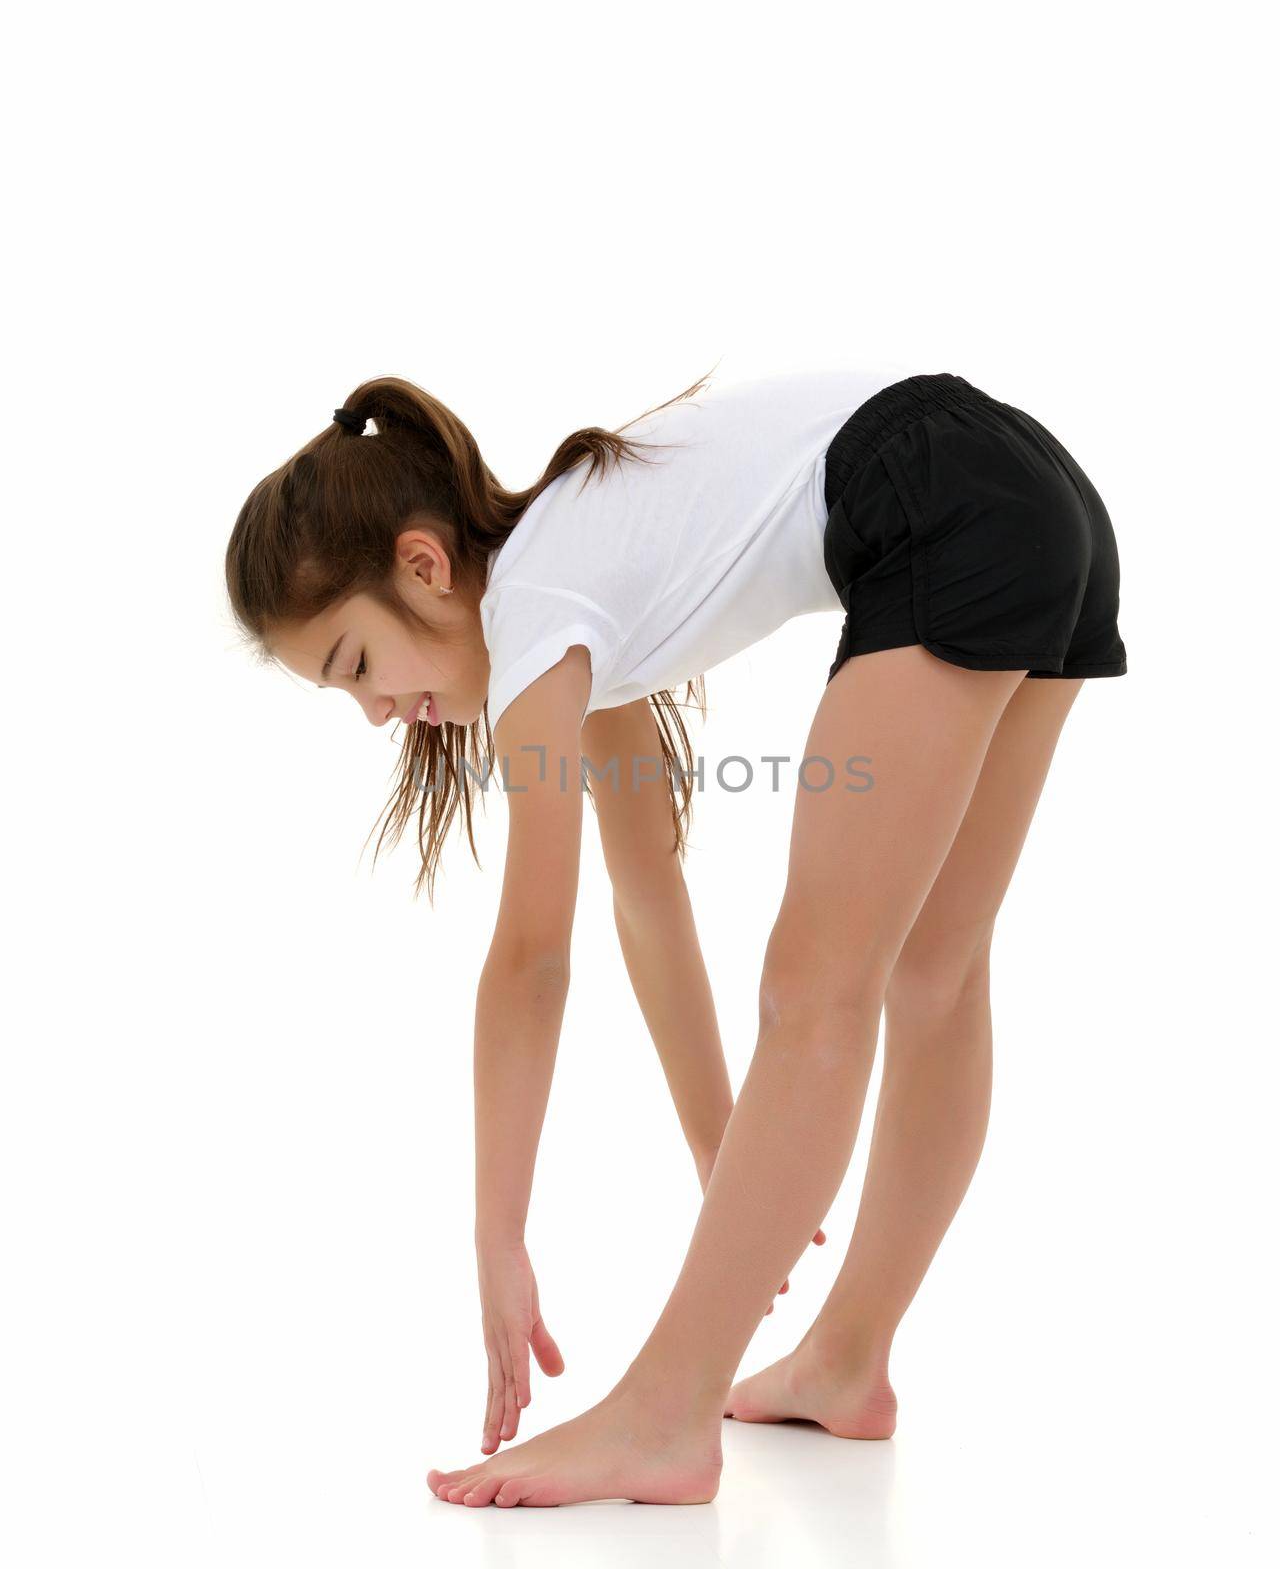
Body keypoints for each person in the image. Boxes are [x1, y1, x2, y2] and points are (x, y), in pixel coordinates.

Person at [225, 365, 1128, 1508]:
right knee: (930, 973)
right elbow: (644, 893)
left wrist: (495, 1240)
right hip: (1030, 488)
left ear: (421, 564)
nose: (374, 714)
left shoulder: (534, 614)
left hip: (936, 488)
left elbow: (530, 960)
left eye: (357, 663)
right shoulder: (574, 601)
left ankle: (663, 1414)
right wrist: (723, 1150)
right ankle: (845, 1357)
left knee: (818, 984)